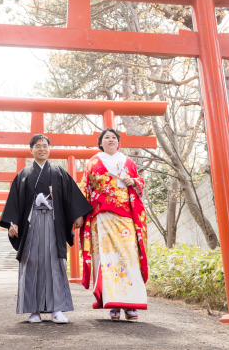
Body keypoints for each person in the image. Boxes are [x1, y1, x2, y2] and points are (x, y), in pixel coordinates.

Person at [0, 134, 93, 324]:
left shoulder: (59, 172)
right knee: (31, 261)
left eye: (45, 146)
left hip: (53, 221)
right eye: (38, 146)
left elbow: (70, 196)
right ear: (31, 150)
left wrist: (77, 214)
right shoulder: (23, 175)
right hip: (31, 223)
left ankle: (57, 309)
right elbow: (14, 202)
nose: (42, 149)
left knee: (55, 262)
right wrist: (12, 222)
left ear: (49, 149)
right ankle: (33, 310)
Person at [79, 128, 148, 321]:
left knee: (129, 258)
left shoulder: (128, 161)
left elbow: (139, 182)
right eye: (106, 138)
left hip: (125, 216)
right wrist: (80, 215)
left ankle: (131, 304)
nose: (111, 140)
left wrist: (133, 181)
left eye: (114, 138)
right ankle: (114, 304)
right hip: (102, 216)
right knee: (107, 260)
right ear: (100, 143)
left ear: (119, 143)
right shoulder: (92, 162)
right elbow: (85, 188)